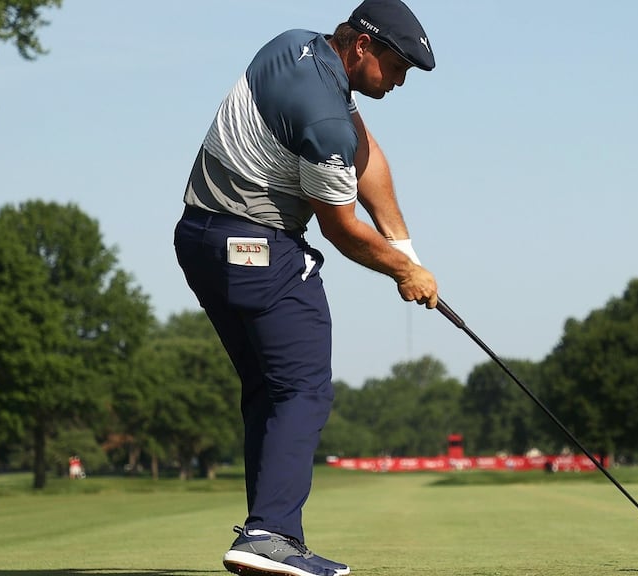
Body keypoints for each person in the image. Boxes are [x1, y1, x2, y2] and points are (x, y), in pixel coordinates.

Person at [172, 2, 438, 576]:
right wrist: (402, 272)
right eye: (397, 67)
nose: (400, 81)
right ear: (363, 47)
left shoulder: (299, 46)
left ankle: (263, 538)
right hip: (255, 247)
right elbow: (341, 229)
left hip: (198, 237)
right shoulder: (324, 122)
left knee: (269, 392)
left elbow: (367, 160)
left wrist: (406, 250)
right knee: (304, 390)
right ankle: (270, 535)